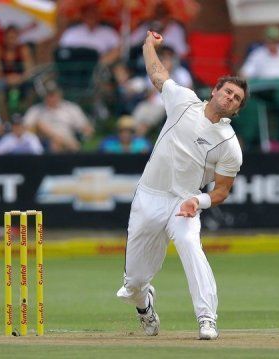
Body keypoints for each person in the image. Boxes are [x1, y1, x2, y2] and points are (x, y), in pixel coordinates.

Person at [116, 31, 247, 340]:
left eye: (236, 99)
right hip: (149, 197)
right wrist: (149, 44)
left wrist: (198, 202)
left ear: (237, 109)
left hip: (183, 203)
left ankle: (207, 319)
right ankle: (145, 306)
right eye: (227, 92)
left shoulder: (230, 145)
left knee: (190, 246)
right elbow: (157, 73)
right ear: (215, 91)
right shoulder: (184, 102)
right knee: (133, 281)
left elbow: (222, 191)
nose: (230, 98)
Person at [132, 45, 193, 136]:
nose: (166, 61)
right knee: (135, 118)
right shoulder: (155, 72)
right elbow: (149, 93)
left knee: (145, 122)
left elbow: (190, 91)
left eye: (169, 58)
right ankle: (133, 138)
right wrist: (161, 75)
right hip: (150, 102)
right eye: (164, 58)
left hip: (166, 104)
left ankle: (137, 140)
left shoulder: (181, 73)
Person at [23, 83, 94, 153]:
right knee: (42, 127)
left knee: (59, 143)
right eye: (48, 95)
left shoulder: (71, 108)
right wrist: (50, 135)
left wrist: (84, 135)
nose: (51, 98)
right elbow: (25, 129)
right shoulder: (36, 110)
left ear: (60, 94)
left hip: (69, 138)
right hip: (44, 141)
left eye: (53, 95)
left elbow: (86, 127)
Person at [0, 25, 35, 116]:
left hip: (21, 80)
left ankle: (26, 116)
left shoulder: (23, 49)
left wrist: (19, 78)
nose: (11, 40)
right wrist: (7, 78)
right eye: (8, 38)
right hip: (4, 80)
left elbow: (29, 70)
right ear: (4, 38)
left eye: (13, 37)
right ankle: (4, 118)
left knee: (30, 91)